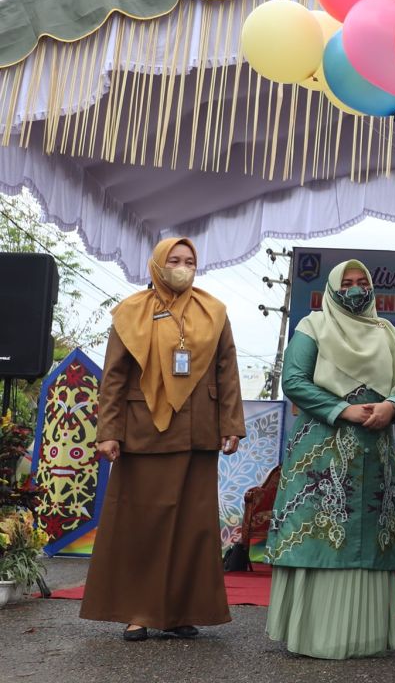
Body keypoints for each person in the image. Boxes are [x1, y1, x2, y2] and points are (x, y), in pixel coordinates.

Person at [81, 237, 244, 640]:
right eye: (174, 259)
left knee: (193, 528)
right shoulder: (131, 312)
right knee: (142, 524)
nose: (183, 266)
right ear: (157, 263)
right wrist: (108, 433)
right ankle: (137, 612)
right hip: (144, 432)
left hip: (199, 433)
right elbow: (114, 378)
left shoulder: (214, 311)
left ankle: (179, 612)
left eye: (190, 260)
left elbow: (228, 370)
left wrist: (231, 425)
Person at [265, 260, 395, 659]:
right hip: (322, 447)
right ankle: (314, 635)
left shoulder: (389, 334)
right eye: (346, 283)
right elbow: (294, 380)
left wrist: (392, 406)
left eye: (361, 282)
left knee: (368, 535)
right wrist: (342, 410)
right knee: (321, 534)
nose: (354, 289)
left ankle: (362, 637)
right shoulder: (312, 327)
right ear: (333, 289)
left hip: (375, 451)